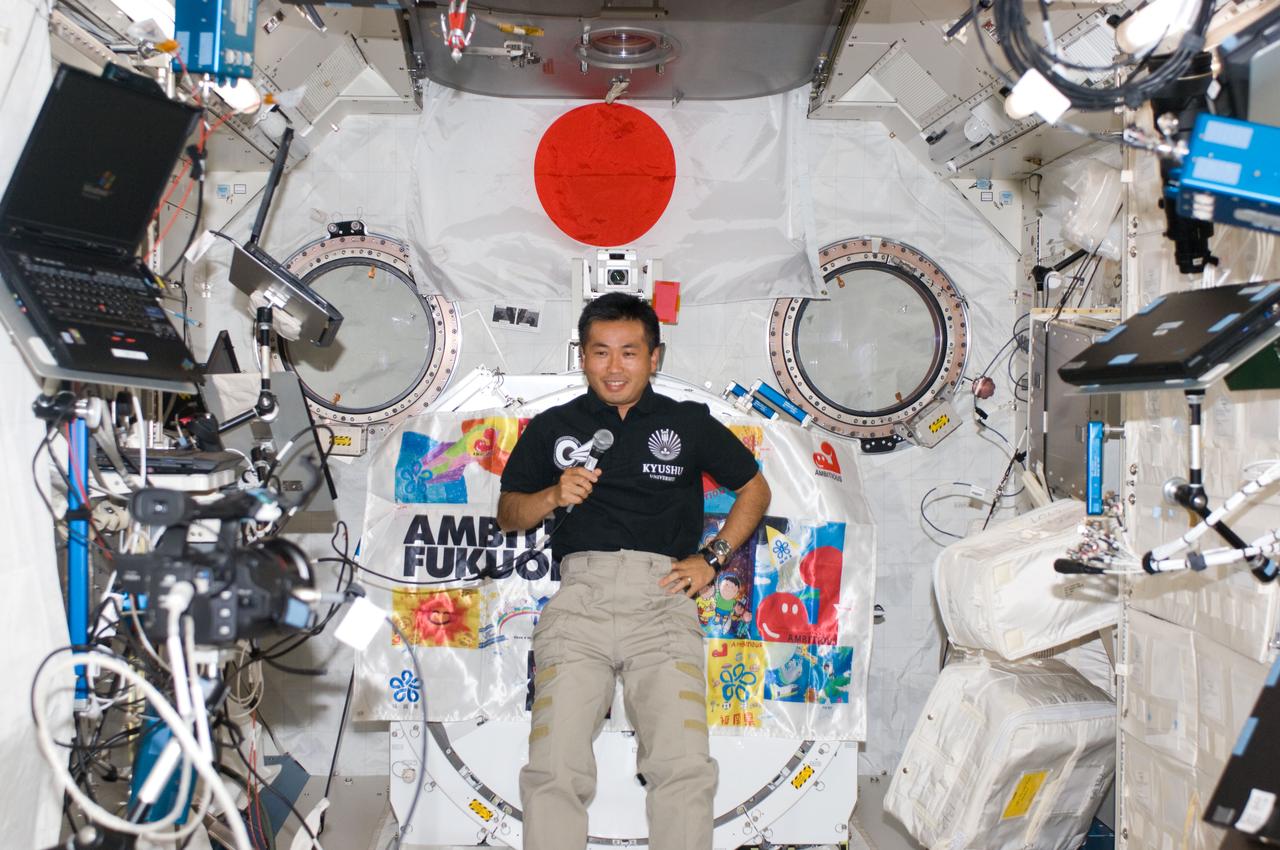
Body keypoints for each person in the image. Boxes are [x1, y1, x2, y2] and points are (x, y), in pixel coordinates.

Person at [497, 292, 771, 850]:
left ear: (655, 357)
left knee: (684, 769)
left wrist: (713, 559)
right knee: (553, 771)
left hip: (663, 602)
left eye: (629, 352)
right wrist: (552, 494)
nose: (614, 367)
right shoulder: (554, 426)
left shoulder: (686, 423)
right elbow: (508, 513)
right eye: (601, 352)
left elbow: (754, 489)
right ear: (582, 357)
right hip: (580, 602)